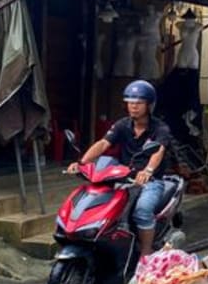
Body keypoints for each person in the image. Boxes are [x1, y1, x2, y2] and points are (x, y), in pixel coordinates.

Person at [68, 80, 170, 259]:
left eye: (138, 103)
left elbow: (158, 151)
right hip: (123, 178)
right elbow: (102, 144)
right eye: (130, 103)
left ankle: (146, 251)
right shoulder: (122, 125)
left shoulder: (159, 128)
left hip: (150, 181)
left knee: (142, 211)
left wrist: (148, 171)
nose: (133, 107)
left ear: (149, 105)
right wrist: (82, 162)